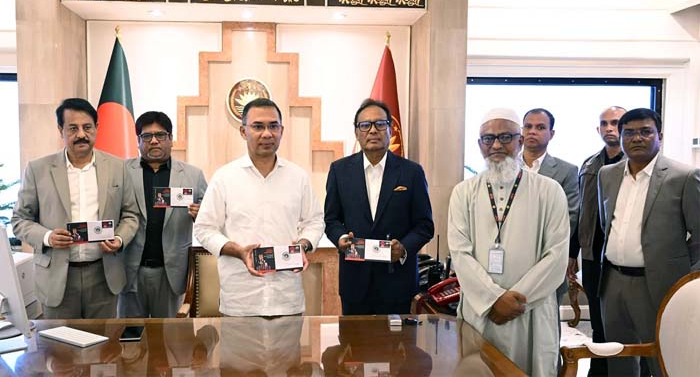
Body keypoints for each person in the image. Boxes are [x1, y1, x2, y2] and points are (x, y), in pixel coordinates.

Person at [447, 108, 569, 376]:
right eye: (488, 139)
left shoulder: (549, 191)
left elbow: (556, 256)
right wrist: (493, 299)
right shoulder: (463, 192)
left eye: (505, 137)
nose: (496, 145)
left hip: (530, 311)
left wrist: (515, 301)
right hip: (481, 311)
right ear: (479, 144)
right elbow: (460, 253)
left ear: (520, 141)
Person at [194, 98, 324, 317]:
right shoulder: (224, 177)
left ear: (281, 131)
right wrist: (237, 251)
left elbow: (315, 221)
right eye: (258, 126)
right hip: (240, 301)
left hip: (287, 299)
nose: (267, 134)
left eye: (273, 126)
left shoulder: (298, 177)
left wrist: (303, 244)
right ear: (243, 131)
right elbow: (204, 228)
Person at [12, 97, 139, 319]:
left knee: (103, 341)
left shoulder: (118, 167)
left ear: (97, 128)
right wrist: (47, 237)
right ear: (60, 130)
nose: (81, 134)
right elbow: (20, 220)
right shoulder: (38, 169)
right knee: (58, 341)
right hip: (57, 277)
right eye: (73, 128)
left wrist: (119, 239)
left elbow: (131, 215)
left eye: (87, 127)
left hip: (104, 275)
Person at [598, 108, 700, 376]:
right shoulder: (606, 175)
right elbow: (606, 224)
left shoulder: (684, 176)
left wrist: (685, 281)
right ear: (621, 137)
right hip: (613, 282)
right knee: (617, 357)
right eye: (629, 133)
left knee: (663, 358)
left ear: (660, 136)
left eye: (646, 131)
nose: (637, 138)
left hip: (659, 283)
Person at [324, 98, 434, 315]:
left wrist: (403, 248)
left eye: (380, 124)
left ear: (390, 130)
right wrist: (341, 238)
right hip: (355, 281)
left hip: (398, 282)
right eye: (365, 125)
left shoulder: (412, 172)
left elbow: (424, 226)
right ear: (356, 132)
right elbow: (331, 220)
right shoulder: (339, 170)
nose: (373, 130)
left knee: (396, 338)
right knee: (354, 337)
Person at [118, 111, 208, 318]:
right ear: (138, 140)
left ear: (171, 138)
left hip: (171, 271)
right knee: (129, 334)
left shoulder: (193, 175)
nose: (154, 141)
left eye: (160, 135)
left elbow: (211, 215)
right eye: (147, 136)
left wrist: (200, 214)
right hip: (130, 269)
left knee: (169, 335)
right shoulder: (121, 171)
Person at [568, 105, 626, 376]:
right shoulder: (589, 165)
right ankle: (599, 370)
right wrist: (572, 253)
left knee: (625, 321)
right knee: (598, 320)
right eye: (604, 123)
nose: (609, 128)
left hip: (623, 256)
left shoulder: (636, 163)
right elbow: (581, 212)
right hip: (592, 254)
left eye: (615, 122)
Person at [521, 108, 579, 300]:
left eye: (540, 127)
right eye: (528, 126)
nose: (532, 131)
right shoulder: (506, 167)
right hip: (507, 258)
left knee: (546, 314)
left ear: (551, 133)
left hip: (547, 258)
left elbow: (569, 217)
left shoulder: (566, 171)